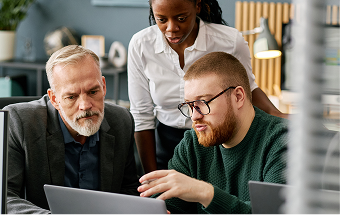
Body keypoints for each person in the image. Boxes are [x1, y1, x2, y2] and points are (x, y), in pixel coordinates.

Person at [128, 0, 287, 174]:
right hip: (165, 142)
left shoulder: (229, 41)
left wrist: (276, 114)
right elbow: (141, 115)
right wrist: (151, 176)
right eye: (161, 19)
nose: (171, 28)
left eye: (181, 18)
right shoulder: (141, 45)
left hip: (216, 141)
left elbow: (247, 89)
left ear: (197, 6)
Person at [137, 52, 288, 214]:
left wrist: (204, 193)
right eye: (189, 105)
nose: (194, 116)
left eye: (203, 102)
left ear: (238, 97)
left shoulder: (282, 141)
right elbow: (168, 206)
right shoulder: (192, 143)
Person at [4, 45, 140, 215]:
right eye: (71, 97)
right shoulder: (19, 122)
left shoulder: (122, 121)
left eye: (93, 91)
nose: (85, 105)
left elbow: (128, 188)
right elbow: (5, 198)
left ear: (103, 86)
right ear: (54, 99)